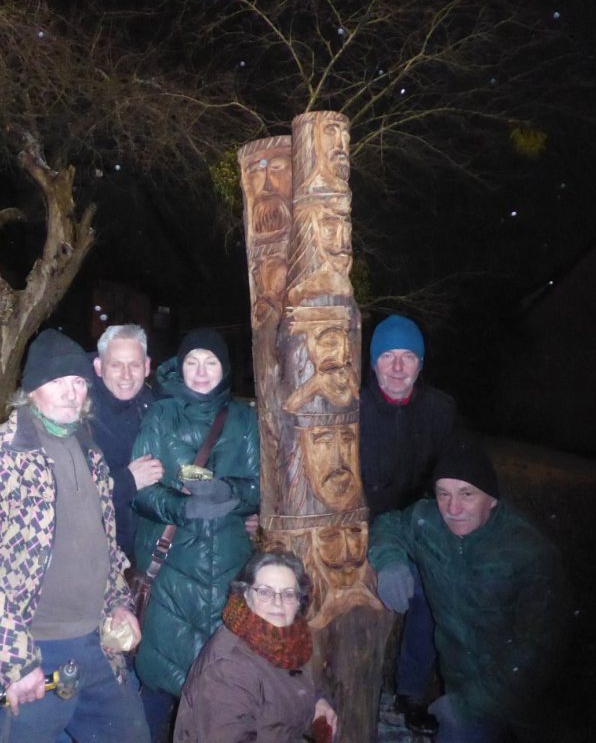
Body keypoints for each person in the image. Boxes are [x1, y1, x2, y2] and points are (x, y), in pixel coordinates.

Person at [0, 328, 149, 743]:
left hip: (97, 647)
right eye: (57, 382)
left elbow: (105, 549)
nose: (71, 394)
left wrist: (119, 603)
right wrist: (15, 660)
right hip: (32, 652)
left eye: (78, 383)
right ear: (31, 390)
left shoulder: (91, 455)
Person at [369, 436, 571, 743]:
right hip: (461, 688)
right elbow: (389, 525)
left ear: (492, 499)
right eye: (443, 493)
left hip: (525, 697)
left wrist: (468, 704)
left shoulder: (529, 553)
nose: (453, 508)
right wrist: (389, 562)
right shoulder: (429, 522)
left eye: (467, 494)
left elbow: (540, 650)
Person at [130, 328, 261, 741]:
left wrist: (231, 493)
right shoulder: (160, 415)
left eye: (211, 362)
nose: (201, 371)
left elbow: (261, 488)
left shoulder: (244, 418)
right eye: (192, 362)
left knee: (220, 687)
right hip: (171, 565)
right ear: (180, 366)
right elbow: (141, 492)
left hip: (228, 567)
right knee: (161, 677)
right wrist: (181, 507)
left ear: (224, 369)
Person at [360, 313, 457, 735]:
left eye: (408, 357)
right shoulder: (354, 408)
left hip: (419, 522)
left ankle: (411, 691)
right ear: (374, 363)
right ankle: (349, 692)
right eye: (388, 356)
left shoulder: (439, 410)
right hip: (362, 524)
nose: (398, 367)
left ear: (420, 363)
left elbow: (452, 473)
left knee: (435, 588)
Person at [174, 549, 339, 743]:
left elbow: (299, 683)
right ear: (246, 595)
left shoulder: (291, 640)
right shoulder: (228, 668)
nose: (277, 603)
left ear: (298, 601)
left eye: (288, 594)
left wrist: (318, 702)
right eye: (265, 592)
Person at [89, 324, 163, 565]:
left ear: (147, 367)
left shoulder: (154, 407)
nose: (126, 375)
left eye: (134, 365)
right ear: (99, 367)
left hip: (144, 552)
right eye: (116, 365)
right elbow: (68, 497)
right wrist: (128, 481)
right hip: (96, 555)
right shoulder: (79, 415)